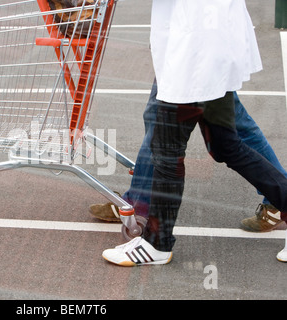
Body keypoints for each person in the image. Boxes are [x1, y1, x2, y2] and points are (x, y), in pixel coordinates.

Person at [102, 0, 287, 266]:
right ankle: (154, 236)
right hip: (210, 40)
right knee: (226, 146)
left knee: (167, 151)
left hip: (194, 48)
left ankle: (157, 243)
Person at [90, 82, 287, 233]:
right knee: (234, 130)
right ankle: (139, 203)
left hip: (194, 49)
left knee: (163, 120)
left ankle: (139, 206)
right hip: (193, 48)